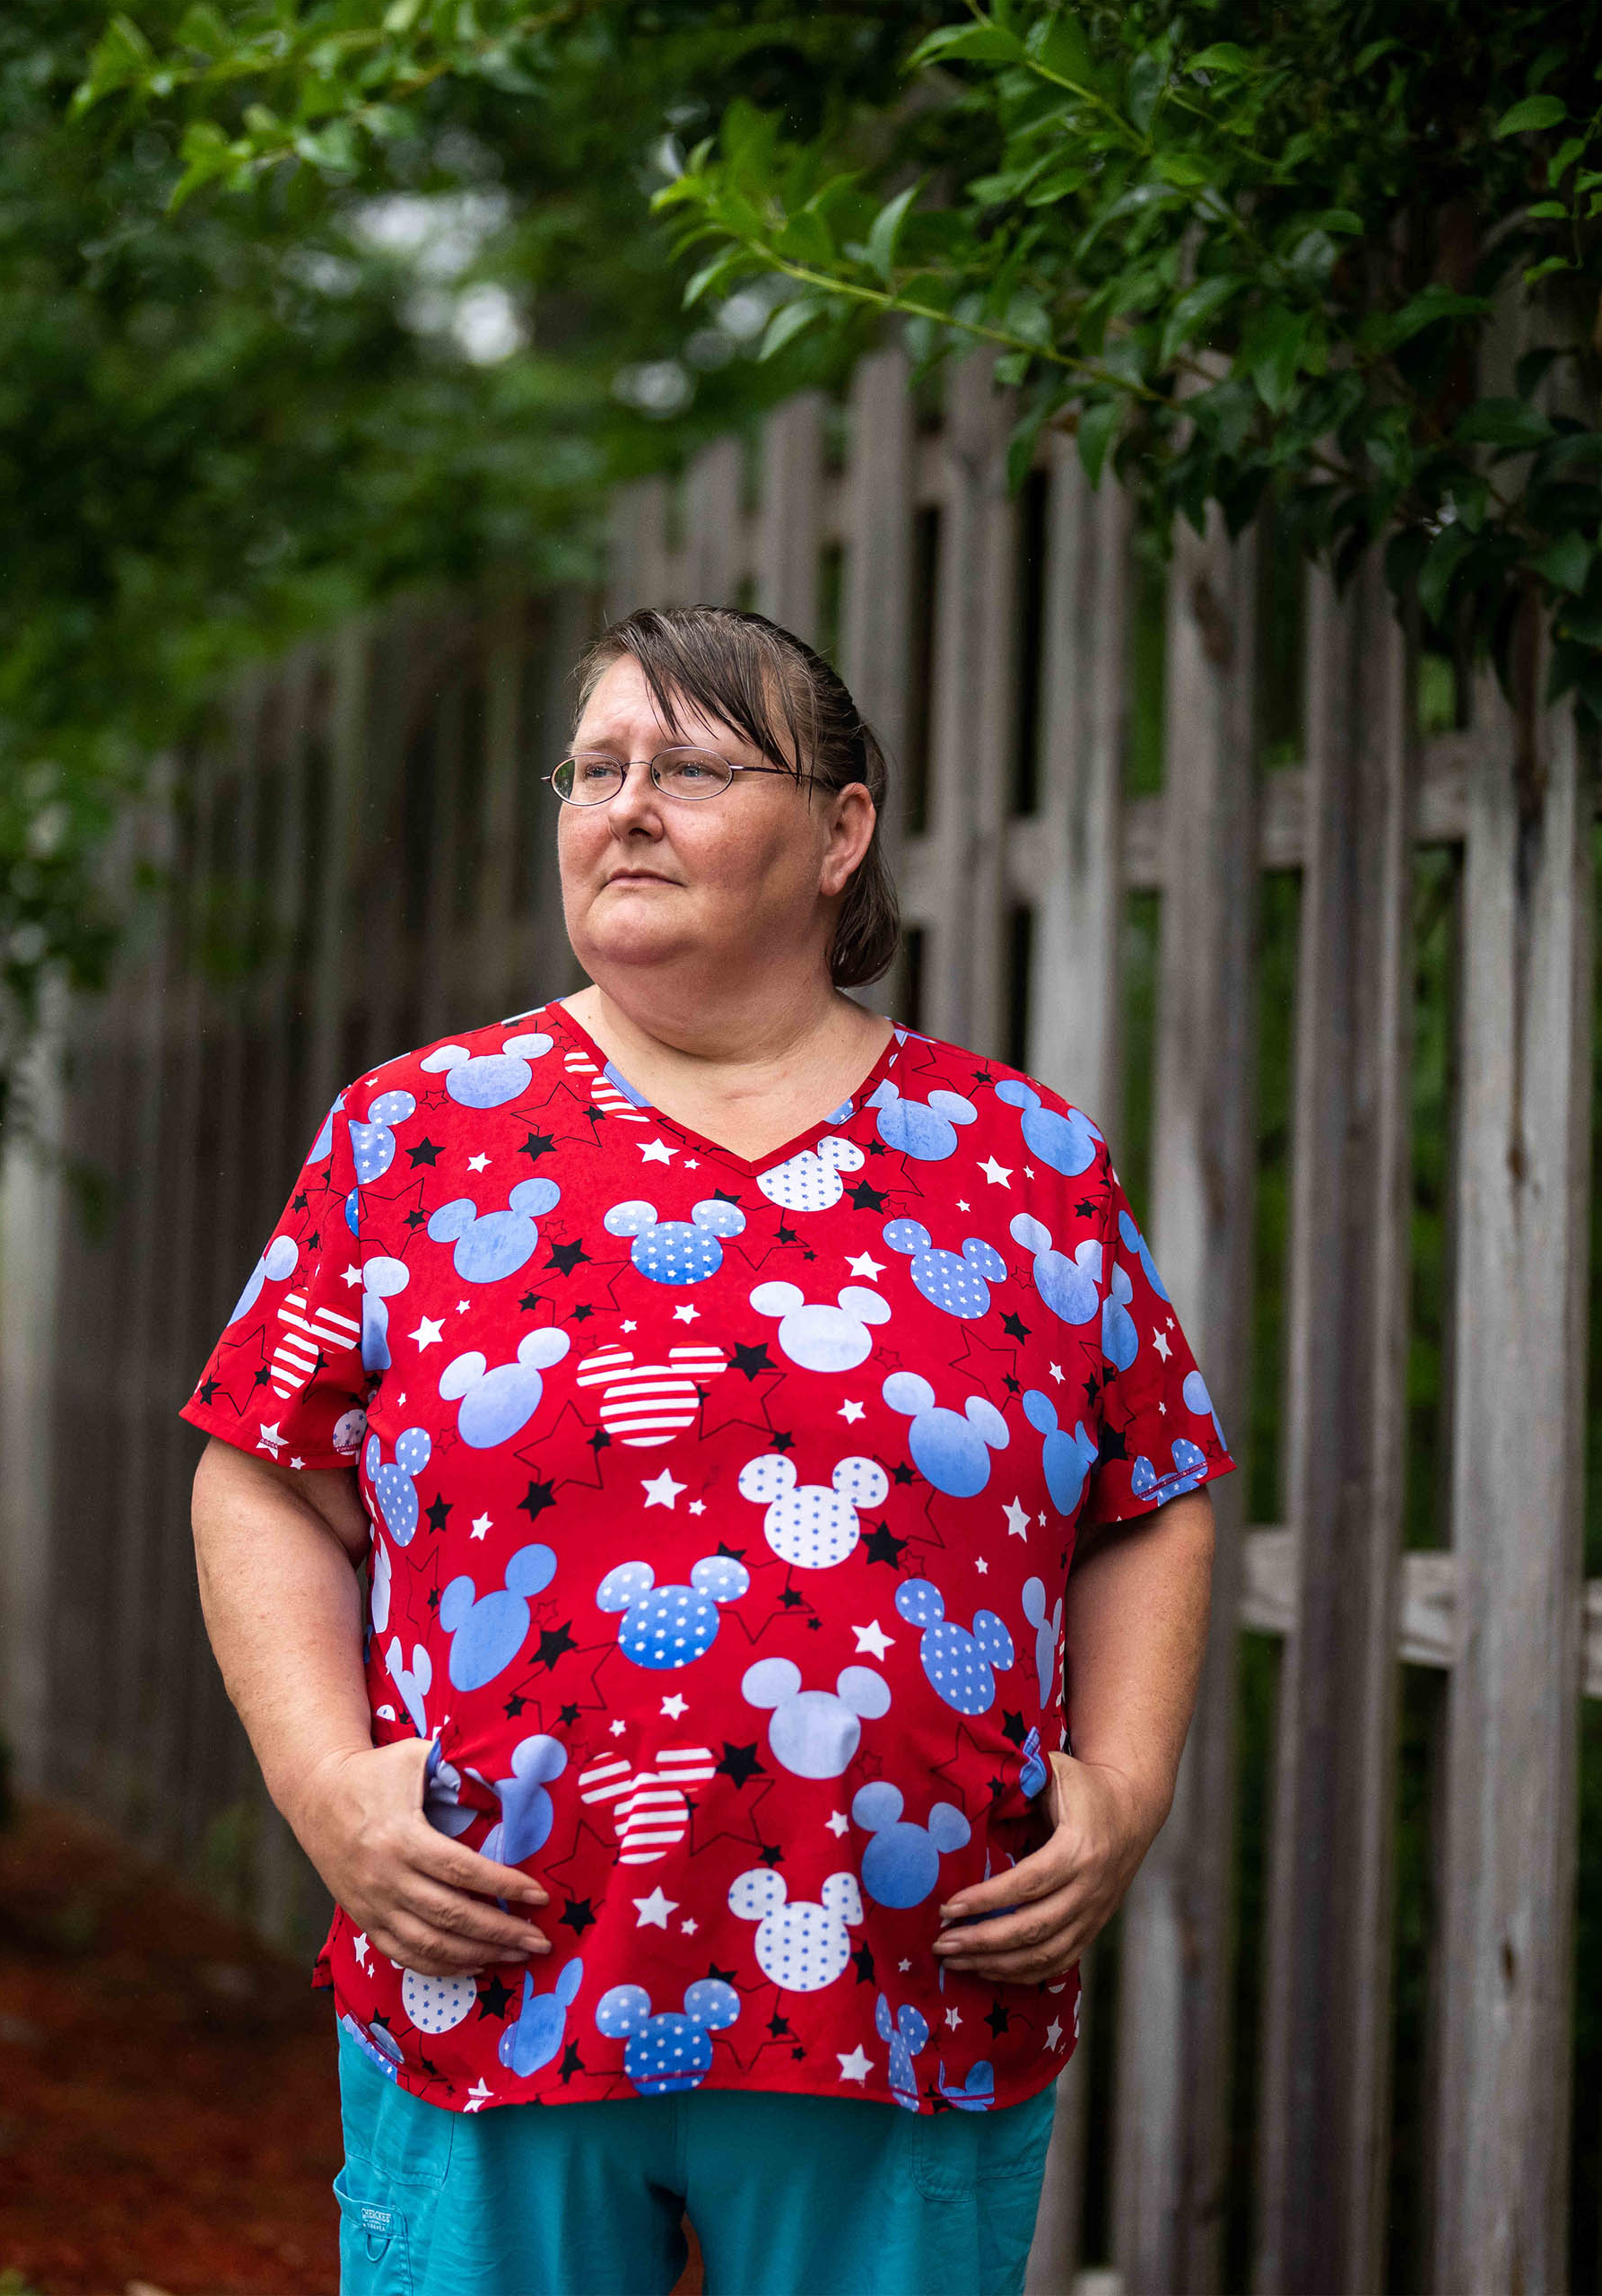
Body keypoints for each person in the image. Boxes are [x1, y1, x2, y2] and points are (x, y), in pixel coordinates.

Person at [184, 602, 1231, 2296]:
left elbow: (1149, 1490)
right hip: (496, 1980)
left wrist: (1124, 1788)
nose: (624, 803)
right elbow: (257, 1469)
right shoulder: (415, 1136)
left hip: (906, 1990)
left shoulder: (1022, 1163)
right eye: (594, 767)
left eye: (688, 763)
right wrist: (323, 1786)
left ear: (840, 831)